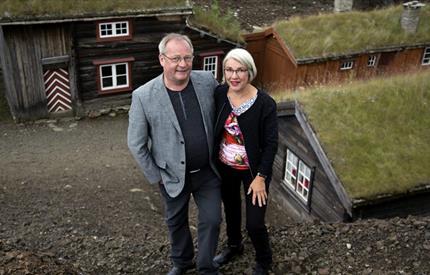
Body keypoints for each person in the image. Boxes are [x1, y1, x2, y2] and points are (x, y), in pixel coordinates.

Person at [128, 33, 221, 275]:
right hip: (171, 175)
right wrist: (155, 175)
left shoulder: (207, 81)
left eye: (188, 57)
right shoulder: (143, 96)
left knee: (212, 220)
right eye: (176, 58)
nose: (183, 64)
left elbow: (227, 108)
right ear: (162, 59)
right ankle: (182, 262)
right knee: (176, 222)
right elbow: (136, 143)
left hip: (207, 171)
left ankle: (206, 266)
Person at [213, 48, 278, 275]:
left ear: (250, 72)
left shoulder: (265, 104)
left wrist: (261, 177)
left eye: (240, 70)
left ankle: (264, 261)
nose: (234, 76)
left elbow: (271, 144)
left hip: (254, 171)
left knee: (255, 223)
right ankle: (234, 245)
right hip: (225, 166)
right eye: (229, 70)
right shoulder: (220, 94)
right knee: (230, 209)